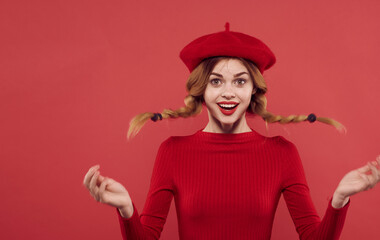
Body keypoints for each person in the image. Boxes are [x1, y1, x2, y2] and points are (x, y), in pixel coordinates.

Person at [83, 23, 380, 240]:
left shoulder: (282, 153)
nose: (228, 93)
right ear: (201, 90)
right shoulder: (172, 151)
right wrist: (125, 209)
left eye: (239, 81)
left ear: (254, 89)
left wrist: (340, 199)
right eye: (216, 81)